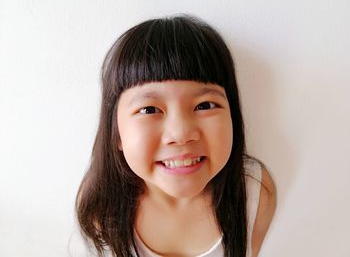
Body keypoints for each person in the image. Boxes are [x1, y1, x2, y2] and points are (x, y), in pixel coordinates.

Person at [75, 15, 276, 257]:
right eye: (149, 110)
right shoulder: (100, 204)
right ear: (116, 132)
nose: (181, 134)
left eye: (205, 105)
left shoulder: (254, 194)